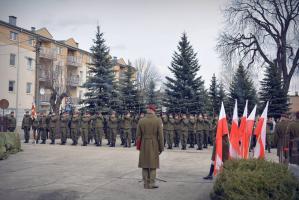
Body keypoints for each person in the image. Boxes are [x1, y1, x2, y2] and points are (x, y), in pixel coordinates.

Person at [137, 104, 164, 189]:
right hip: (154, 144)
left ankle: (145, 184)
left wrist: (139, 146)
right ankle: (151, 183)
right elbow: (161, 136)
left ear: (148, 110)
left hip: (144, 143)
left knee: (144, 164)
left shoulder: (141, 120)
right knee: (153, 165)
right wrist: (161, 148)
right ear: (154, 110)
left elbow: (138, 135)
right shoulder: (158, 120)